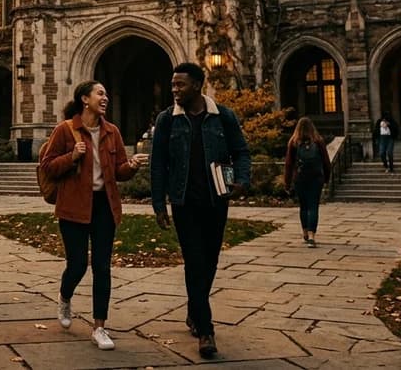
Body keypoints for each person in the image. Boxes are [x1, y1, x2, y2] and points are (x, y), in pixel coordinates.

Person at [149, 62, 251, 360]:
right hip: (184, 203)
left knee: (209, 261)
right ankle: (206, 330)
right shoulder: (167, 120)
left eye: (180, 85)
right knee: (194, 261)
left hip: (216, 200)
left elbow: (241, 152)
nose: (175, 90)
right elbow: (158, 164)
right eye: (172, 85)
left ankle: (195, 311)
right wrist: (159, 203)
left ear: (197, 85)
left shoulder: (224, 117)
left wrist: (242, 180)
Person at [39, 80, 148, 351]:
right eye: (100, 93)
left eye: (107, 94)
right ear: (84, 99)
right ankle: (65, 298)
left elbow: (119, 170)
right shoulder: (65, 130)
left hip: (104, 206)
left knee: (102, 267)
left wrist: (131, 167)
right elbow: (48, 167)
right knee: (77, 265)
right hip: (74, 206)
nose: (105, 98)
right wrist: (72, 157)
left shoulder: (112, 132)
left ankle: (100, 327)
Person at [283, 117, 332, 247]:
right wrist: (326, 177)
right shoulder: (318, 141)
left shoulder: (293, 142)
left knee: (304, 206)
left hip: (300, 178)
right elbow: (326, 162)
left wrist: (287, 182)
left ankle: (304, 231)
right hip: (316, 178)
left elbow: (288, 164)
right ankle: (312, 236)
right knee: (313, 206)